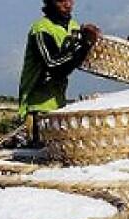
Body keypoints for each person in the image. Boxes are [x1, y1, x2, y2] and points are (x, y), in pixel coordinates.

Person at [18, 0, 101, 144]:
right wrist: (84, 45)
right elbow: (53, 66)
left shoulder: (74, 28)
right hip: (38, 107)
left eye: (70, 0)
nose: (68, 5)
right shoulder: (41, 29)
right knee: (41, 155)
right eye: (61, 0)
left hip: (59, 105)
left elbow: (89, 57)